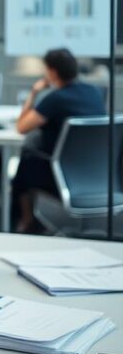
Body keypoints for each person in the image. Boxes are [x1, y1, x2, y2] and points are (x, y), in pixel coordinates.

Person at [13, 48, 106, 232]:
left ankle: (26, 223)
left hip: (65, 178)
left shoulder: (55, 99)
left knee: (25, 164)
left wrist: (33, 92)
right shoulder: (94, 92)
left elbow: (21, 127)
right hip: (100, 177)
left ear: (52, 72)